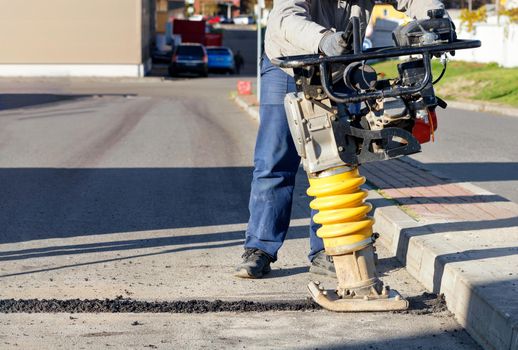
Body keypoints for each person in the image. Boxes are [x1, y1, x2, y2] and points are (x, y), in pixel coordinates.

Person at [235, 0, 447, 279]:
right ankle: (259, 249)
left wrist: (436, 17)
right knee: (275, 159)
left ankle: (327, 249)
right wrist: (324, 39)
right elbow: (286, 17)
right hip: (287, 64)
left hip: (339, 67)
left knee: (336, 158)